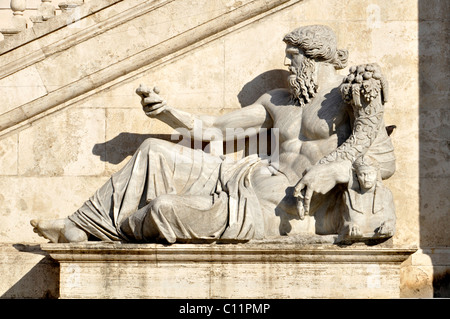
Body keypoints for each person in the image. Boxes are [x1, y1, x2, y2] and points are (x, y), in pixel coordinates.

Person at [31, 25, 392, 244]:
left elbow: (382, 162)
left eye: (293, 55)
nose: (287, 64)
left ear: (314, 58)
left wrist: (331, 171)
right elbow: (215, 128)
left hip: (271, 209)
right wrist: (168, 112)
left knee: (164, 209)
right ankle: (79, 225)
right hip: (241, 175)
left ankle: (123, 228)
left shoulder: (352, 98)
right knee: (154, 149)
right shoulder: (278, 100)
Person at [337, 155, 396, 242]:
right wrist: (350, 227)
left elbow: (391, 219)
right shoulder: (348, 195)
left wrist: (388, 226)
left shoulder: (386, 194)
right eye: (362, 174)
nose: (366, 178)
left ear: (377, 174)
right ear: (356, 176)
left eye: (370, 174)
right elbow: (343, 223)